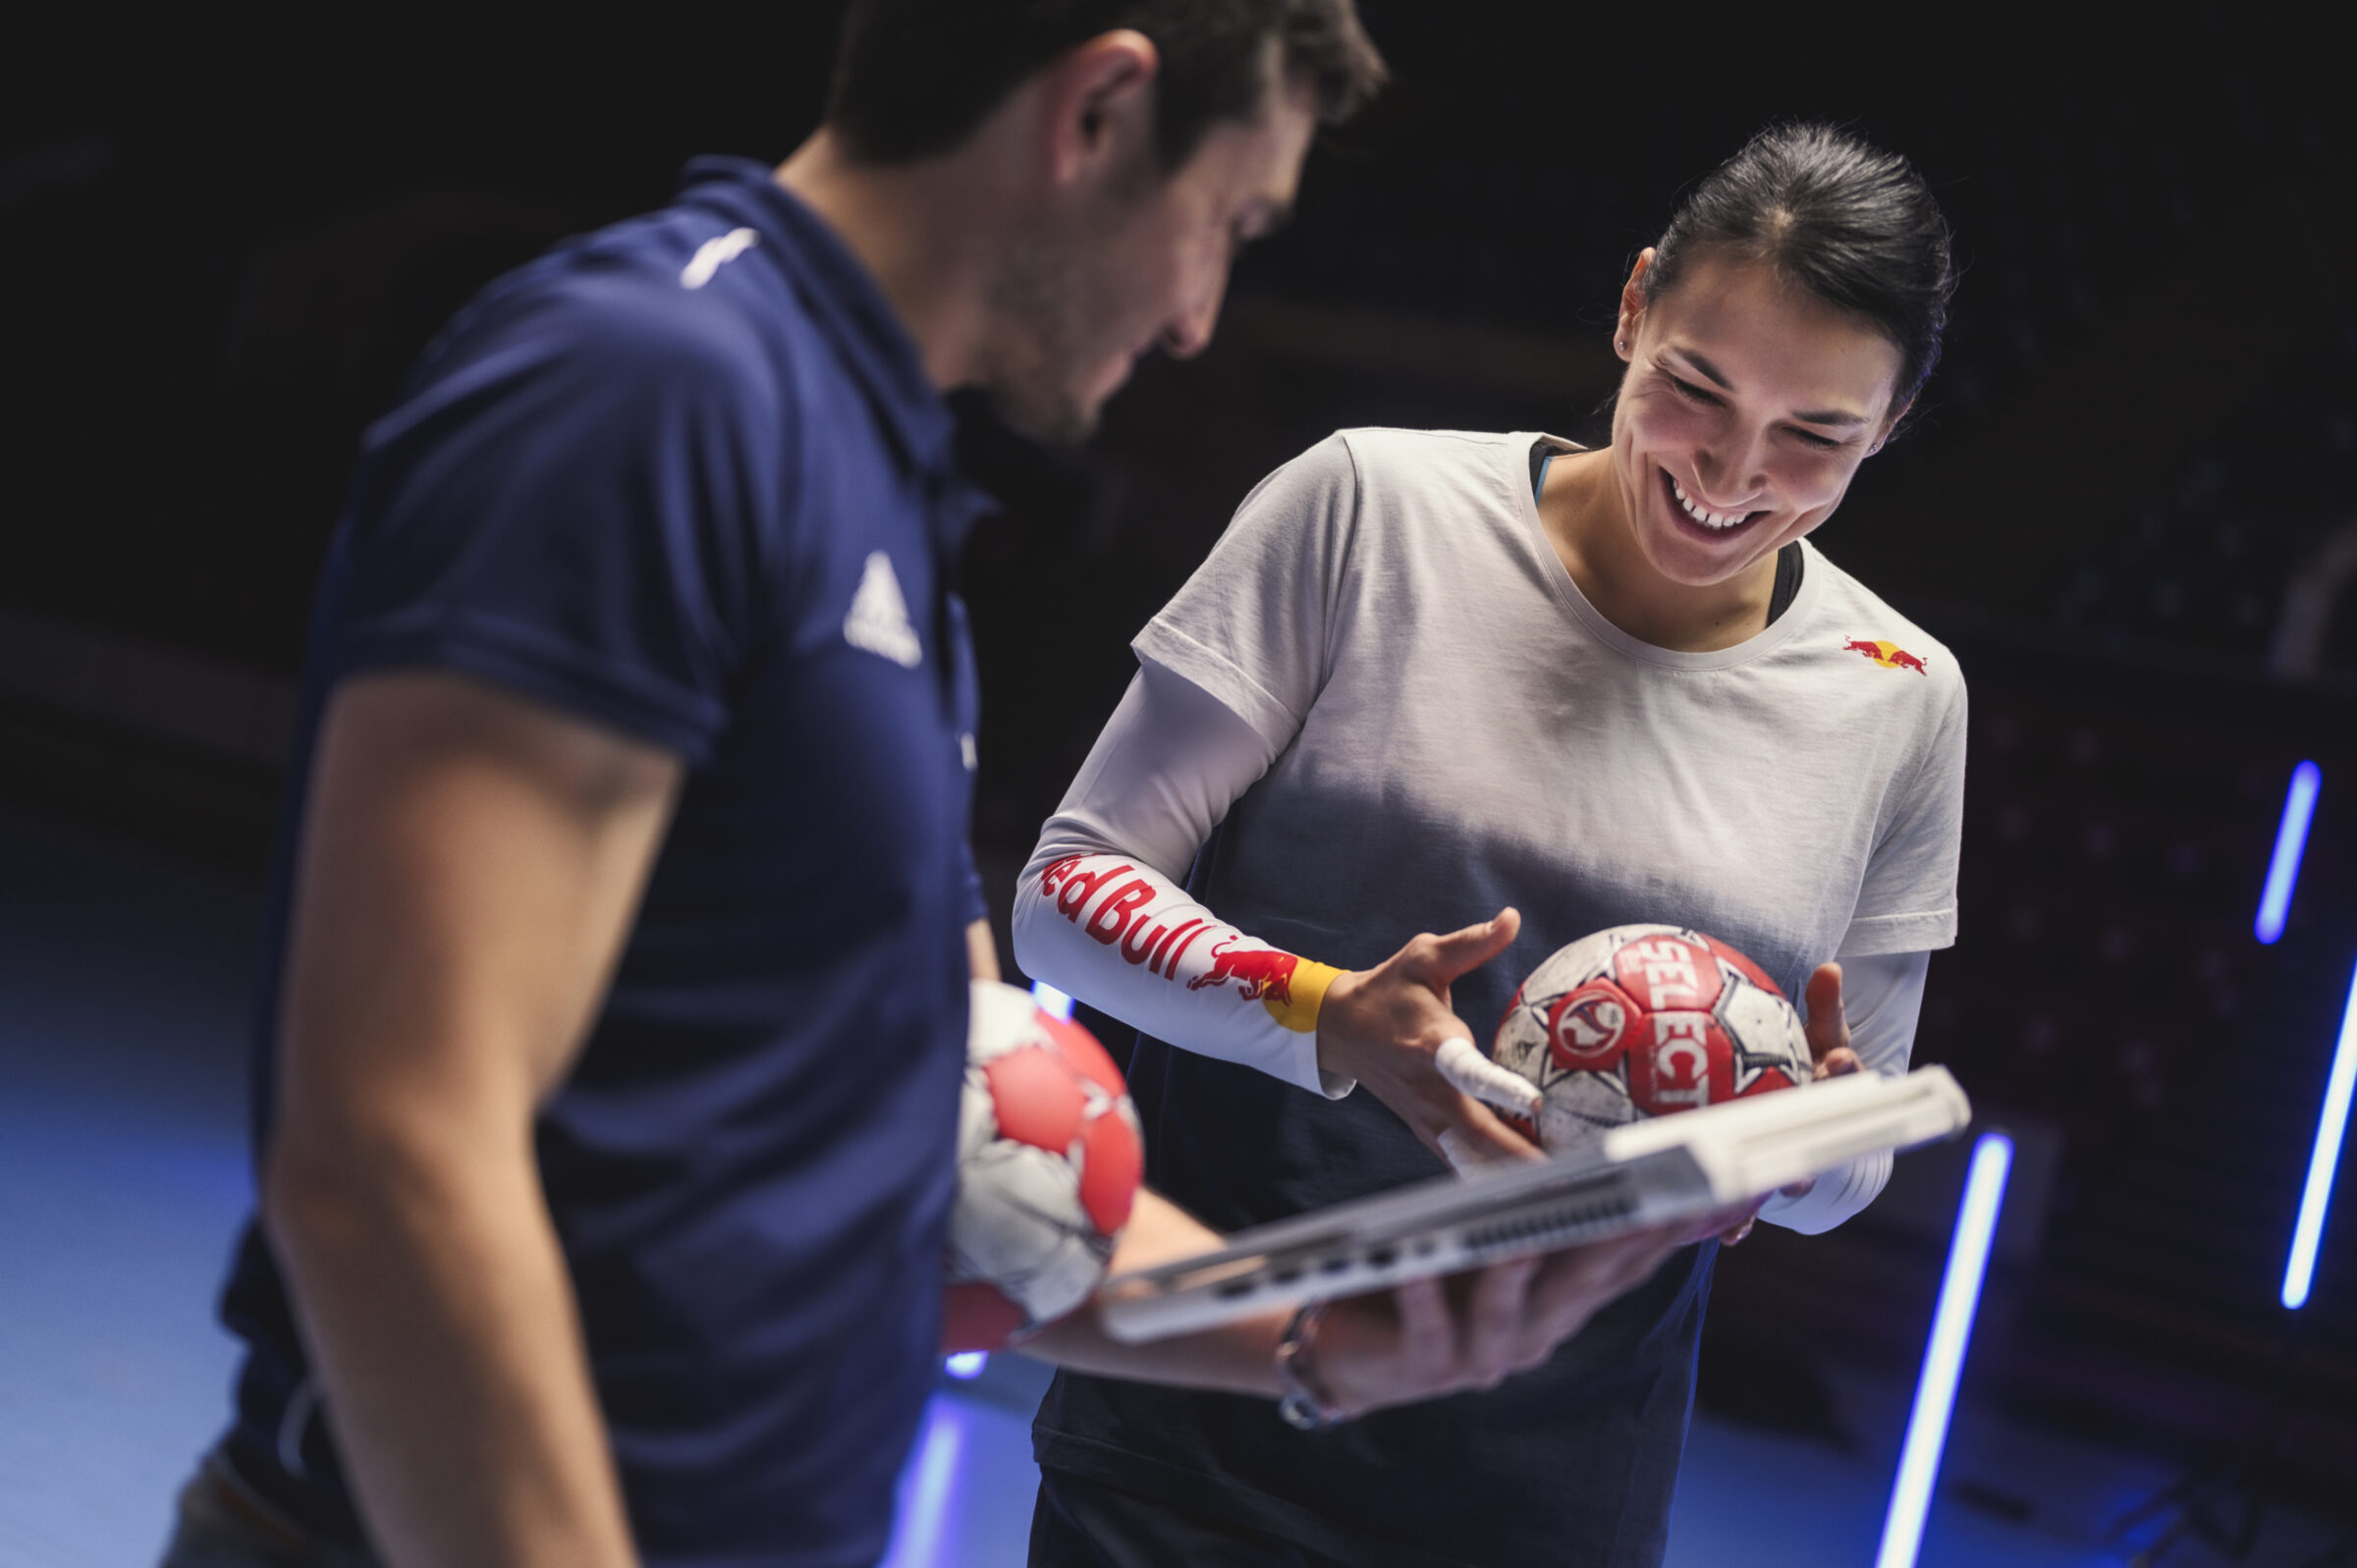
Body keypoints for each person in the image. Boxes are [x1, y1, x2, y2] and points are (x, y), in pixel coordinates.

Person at [161, 6, 1702, 1568]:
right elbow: (389, 1145)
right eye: (1223, 224)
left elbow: (948, 1152)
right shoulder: (648, 388)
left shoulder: (878, 480)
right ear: (1096, 114)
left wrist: (1316, 1336)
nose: (1195, 316)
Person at [1014, 122, 1967, 1566]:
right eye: (1696, 387)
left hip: (1557, 1495)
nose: (1731, 471)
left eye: (1817, 435)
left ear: (1892, 423)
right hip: (1199, 1431)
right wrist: (1328, 1014)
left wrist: (1799, 1143)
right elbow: (1065, 896)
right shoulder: (1369, 507)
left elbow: (1851, 1166)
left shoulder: (1900, 696)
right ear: (1635, 303)